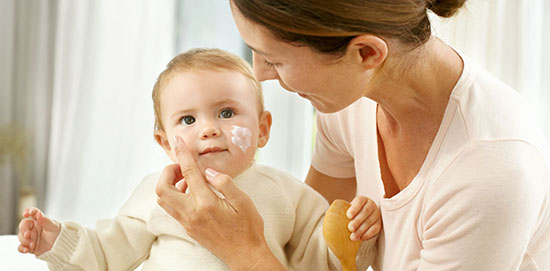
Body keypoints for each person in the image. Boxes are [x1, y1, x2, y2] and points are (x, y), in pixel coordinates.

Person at [154, 0, 550, 270]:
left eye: (275, 59)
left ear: (365, 54)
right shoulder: (350, 100)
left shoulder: (489, 171)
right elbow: (308, 253)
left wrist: (244, 251)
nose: (259, 73)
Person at [17, 48, 380, 270]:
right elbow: (109, 253)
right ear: (164, 141)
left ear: (263, 129)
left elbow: (315, 261)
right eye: (188, 120)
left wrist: (352, 234)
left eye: (226, 113)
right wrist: (56, 242)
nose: (208, 130)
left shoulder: (286, 193)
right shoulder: (161, 194)